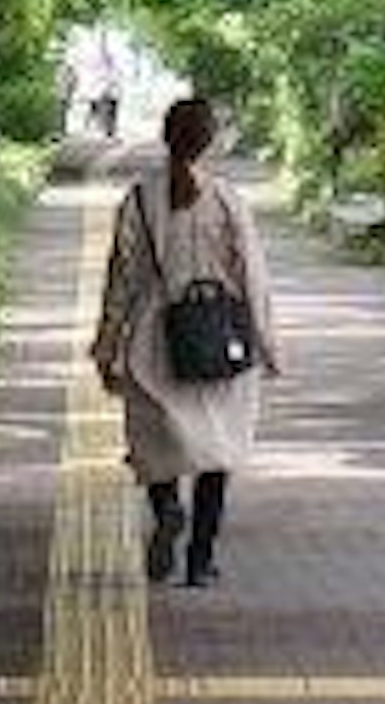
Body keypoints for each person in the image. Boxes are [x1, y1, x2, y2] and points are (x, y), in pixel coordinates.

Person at [96, 88, 281, 588]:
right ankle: (200, 562)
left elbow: (121, 280)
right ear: (210, 142)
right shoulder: (227, 199)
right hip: (220, 339)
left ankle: (166, 508)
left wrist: (106, 347)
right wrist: (267, 344)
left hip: (157, 338)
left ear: (165, 138)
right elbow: (254, 279)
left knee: (158, 446)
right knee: (217, 451)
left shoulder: (138, 199)